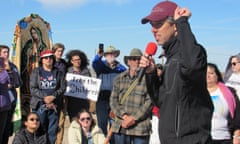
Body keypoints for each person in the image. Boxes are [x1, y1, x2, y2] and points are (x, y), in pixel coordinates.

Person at [140, 1, 214, 144]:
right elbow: (161, 102)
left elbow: (192, 66)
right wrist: (151, 74)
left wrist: (183, 22)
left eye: (158, 24)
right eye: (152, 25)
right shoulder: (170, 60)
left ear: (174, 26)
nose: (153, 30)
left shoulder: (192, 53)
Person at [110, 48, 152, 144]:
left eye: (139, 59)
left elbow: (150, 102)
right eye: (133, 59)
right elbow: (113, 101)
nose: (136, 61)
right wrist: (124, 116)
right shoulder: (119, 79)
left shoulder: (149, 79)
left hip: (140, 128)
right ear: (128, 61)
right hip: (121, 125)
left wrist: (134, 118)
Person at [29, 49, 66, 144]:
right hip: (39, 105)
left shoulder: (58, 73)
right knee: (39, 129)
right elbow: (33, 88)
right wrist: (45, 97)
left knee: (52, 131)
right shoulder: (36, 72)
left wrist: (53, 96)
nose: (48, 59)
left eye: (50, 57)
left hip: (54, 106)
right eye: (46, 58)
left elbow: (63, 88)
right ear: (42, 60)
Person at [92, 45, 126, 139]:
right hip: (102, 100)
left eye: (112, 53)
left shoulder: (121, 68)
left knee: (115, 126)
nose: (110, 55)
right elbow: (95, 63)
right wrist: (98, 55)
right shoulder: (100, 66)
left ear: (115, 54)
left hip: (115, 102)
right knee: (102, 126)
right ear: (105, 55)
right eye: (108, 54)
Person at [207, 63, 240, 144]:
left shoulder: (229, 92)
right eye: (204, 73)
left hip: (223, 138)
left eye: (211, 73)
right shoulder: (194, 93)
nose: (207, 76)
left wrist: (237, 136)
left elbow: (237, 116)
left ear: (217, 75)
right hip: (202, 138)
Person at [21, 26, 47, 118]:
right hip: (30, 67)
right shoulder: (29, 44)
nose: (33, 35)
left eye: (35, 33)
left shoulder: (43, 46)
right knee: (29, 83)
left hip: (39, 69)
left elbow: (46, 57)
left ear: (39, 33)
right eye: (32, 33)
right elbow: (24, 54)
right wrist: (29, 53)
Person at [0, 45, 22, 144]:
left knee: (7, 129)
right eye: (4, 52)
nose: (7, 54)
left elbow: (18, 83)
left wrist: (12, 83)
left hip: (11, 102)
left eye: (7, 52)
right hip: (1, 101)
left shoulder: (13, 66)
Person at [65, 49, 91, 121]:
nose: (77, 61)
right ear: (71, 61)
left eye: (79, 59)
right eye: (75, 60)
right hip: (72, 101)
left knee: (84, 122)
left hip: (84, 101)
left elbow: (91, 85)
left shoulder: (86, 71)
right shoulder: (67, 71)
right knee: (74, 122)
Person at [52, 43, 68, 144]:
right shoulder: (48, 62)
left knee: (61, 122)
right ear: (54, 51)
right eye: (58, 51)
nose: (60, 53)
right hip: (51, 95)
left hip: (63, 96)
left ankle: (59, 142)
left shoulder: (64, 63)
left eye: (62, 51)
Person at [149, 63, 163, 144]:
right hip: (154, 113)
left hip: (163, 113)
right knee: (154, 136)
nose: (158, 71)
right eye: (156, 69)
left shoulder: (166, 82)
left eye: (160, 69)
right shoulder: (152, 81)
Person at [0, 57, 11, 143]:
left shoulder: (4, 71)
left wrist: (9, 70)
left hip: (4, 106)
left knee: (2, 134)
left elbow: (16, 82)